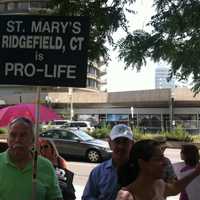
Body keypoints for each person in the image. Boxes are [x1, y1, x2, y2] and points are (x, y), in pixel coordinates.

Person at [0, 117, 63, 200]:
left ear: (33, 140)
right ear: (7, 140)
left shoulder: (46, 166)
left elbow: (55, 197)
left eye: (23, 135)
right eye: (13, 135)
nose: (17, 139)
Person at [116, 139, 200, 200]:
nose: (165, 163)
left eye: (163, 157)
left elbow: (175, 188)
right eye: (158, 159)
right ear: (142, 163)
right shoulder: (125, 196)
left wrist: (196, 172)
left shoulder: (159, 184)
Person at [82, 124, 134, 200]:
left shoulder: (141, 171)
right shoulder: (98, 172)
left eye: (125, 142)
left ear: (132, 144)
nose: (121, 146)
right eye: (117, 141)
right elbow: (87, 197)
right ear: (110, 143)